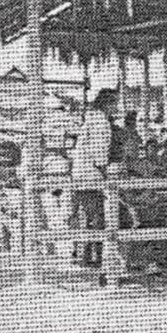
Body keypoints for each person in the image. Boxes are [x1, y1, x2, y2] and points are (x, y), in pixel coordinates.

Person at [70, 89, 115, 265]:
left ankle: (86, 255)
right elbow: (100, 155)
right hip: (91, 176)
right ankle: (94, 256)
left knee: (88, 217)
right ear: (107, 104)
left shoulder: (90, 119)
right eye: (114, 103)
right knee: (97, 217)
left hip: (81, 174)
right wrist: (107, 176)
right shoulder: (101, 123)